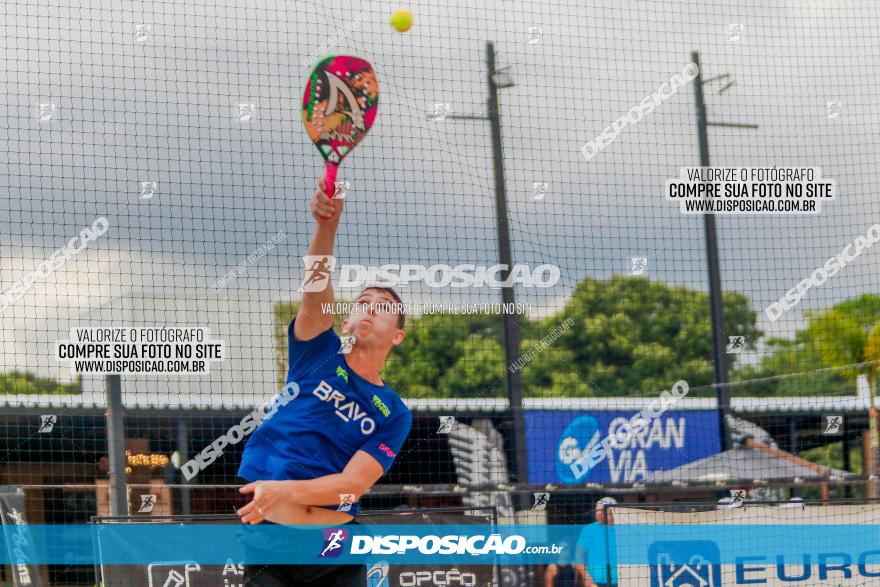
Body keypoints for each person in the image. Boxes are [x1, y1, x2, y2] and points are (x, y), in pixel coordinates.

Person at [235, 178, 413, 586]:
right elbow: (315, 291)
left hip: (338, 548)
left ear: (397, 335)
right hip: (270, 543)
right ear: (346, 320)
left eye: (383, 307)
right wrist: (326, 226)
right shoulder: (318, 352)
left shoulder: (396, 413)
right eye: (362, 303)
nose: (370, 309)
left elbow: (353, 484)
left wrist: (288, 491)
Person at [575, 497, 618, 587]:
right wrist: (586, 577)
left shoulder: (623, 530)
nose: (598, 513)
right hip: (595, 582)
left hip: (621, 582)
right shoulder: (589, 529)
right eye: (597, 510)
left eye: (602, 510)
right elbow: (578, 556)